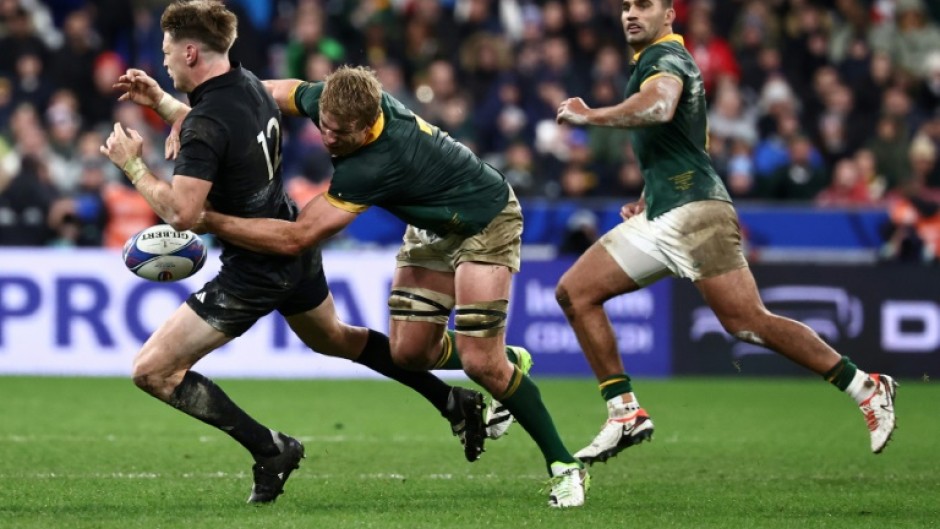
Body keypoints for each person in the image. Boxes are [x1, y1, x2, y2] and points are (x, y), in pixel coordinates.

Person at [98, 0, 488, 505]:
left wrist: (133, 167)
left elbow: (182, 214)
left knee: (152, 371)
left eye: (168, 50)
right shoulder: (251, 86)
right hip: (286, 237)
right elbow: (224, 131)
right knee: (337, 339)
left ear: (191, 51)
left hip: (257, 265)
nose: (165, 60)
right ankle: (450, 399)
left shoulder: (207, 123)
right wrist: (164, 105)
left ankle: (270, 448)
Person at [201, 65, 590, 508]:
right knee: (409, 354)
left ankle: (564, 465)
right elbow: (267, 92)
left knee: (484, 366)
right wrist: (195, 117)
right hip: (430, 227)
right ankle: (506, 358)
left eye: (340, 133)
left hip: (485, 221)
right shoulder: (339, 102)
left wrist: (209, 220)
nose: (328, 139)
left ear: (368, 126)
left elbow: (296, 237)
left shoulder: (375, 163)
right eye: (324, 127)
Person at [554, 0, 898, 465]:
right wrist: (647, 191)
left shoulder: (666, 58)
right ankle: (624, 413)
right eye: (626, 6)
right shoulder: (652, 60)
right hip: (664, 209)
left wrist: (589, 115)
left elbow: (658, 107)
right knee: (575, 293)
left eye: (644, 5)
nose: (631, 14)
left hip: (697, 213)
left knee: (747, 322)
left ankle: (865, 386)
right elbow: (679, 141)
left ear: (669, 14)